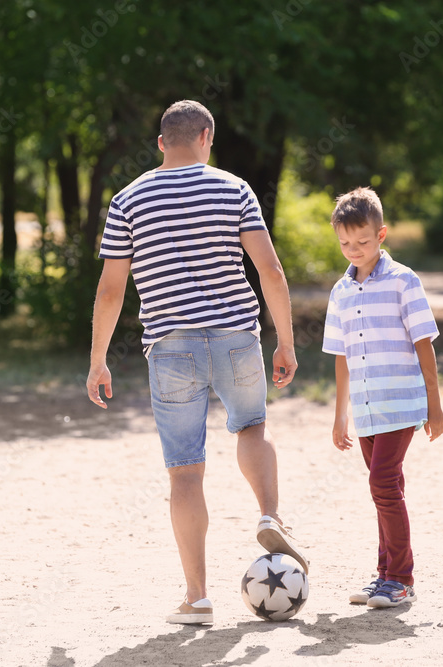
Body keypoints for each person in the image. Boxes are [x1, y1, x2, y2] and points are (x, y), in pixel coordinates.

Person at [86, 100, 309, 625]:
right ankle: (269, 514)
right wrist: (286, 342)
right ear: (206, 137)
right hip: (236, 337)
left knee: (185, 472)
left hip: (171, 345)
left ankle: (198, 597)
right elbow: (270, 270)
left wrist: (98, 360)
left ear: (161, 142)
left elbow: (111, 289)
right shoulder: (234, 188)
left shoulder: (128, 199)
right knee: (252, 427)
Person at [322, 186, 443, 608]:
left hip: (402, 403)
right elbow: (340, 358)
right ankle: (384, 575)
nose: (353, 250)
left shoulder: (403, 281)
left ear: (382, 235)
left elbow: (424, 342)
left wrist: (436, 405)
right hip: (366, 409)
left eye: (362, 241)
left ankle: (402, 579)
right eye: (344, 243)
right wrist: (340, 417)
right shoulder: (340, 292)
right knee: (385, 488)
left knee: (382, 484)